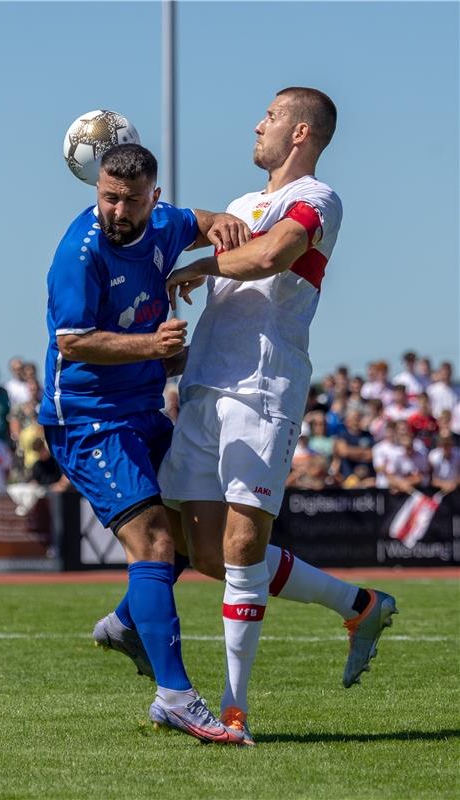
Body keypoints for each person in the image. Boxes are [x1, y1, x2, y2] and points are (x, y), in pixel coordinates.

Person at [156, 88, 398, 743]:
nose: (256, 125)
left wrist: (203, 261)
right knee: (197, 547)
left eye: (267, 117)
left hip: (262, 387)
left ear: (298, 132)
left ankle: (233, 712)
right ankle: (359, 605)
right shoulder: (239, 205)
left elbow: (272, 256)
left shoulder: (317, 199)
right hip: (206, 386)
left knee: (240, 547)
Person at [38, 142, 249, 745]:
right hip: (88, 418)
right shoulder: (79, 254)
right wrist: (154, 349)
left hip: (143, 411)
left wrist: (226, 226)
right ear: (96, 189)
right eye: (108, 195)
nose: (116, 208)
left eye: (130, 199)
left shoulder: (164, 224)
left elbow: (201, 223)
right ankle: (176, 696)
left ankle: (128, 625)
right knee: (154, 539)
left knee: (190, 531)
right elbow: (74, 342)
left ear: (152, 198)